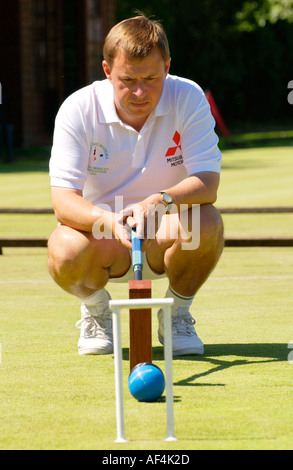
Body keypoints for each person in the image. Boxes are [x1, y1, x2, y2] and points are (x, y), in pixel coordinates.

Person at [48, 15, 224, 357]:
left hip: (163, 231)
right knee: (64, 248)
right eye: (128, 80)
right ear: (107, 70)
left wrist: (158, 201)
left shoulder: (188, 97)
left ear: (168, 67)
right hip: (100, 235)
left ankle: (176, 313)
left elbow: (208, 182)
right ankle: (98, 312)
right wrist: (110, 222)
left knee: (206, 222)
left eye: (152, 78)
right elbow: (64, 201)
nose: (140, 92)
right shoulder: (78, 108)